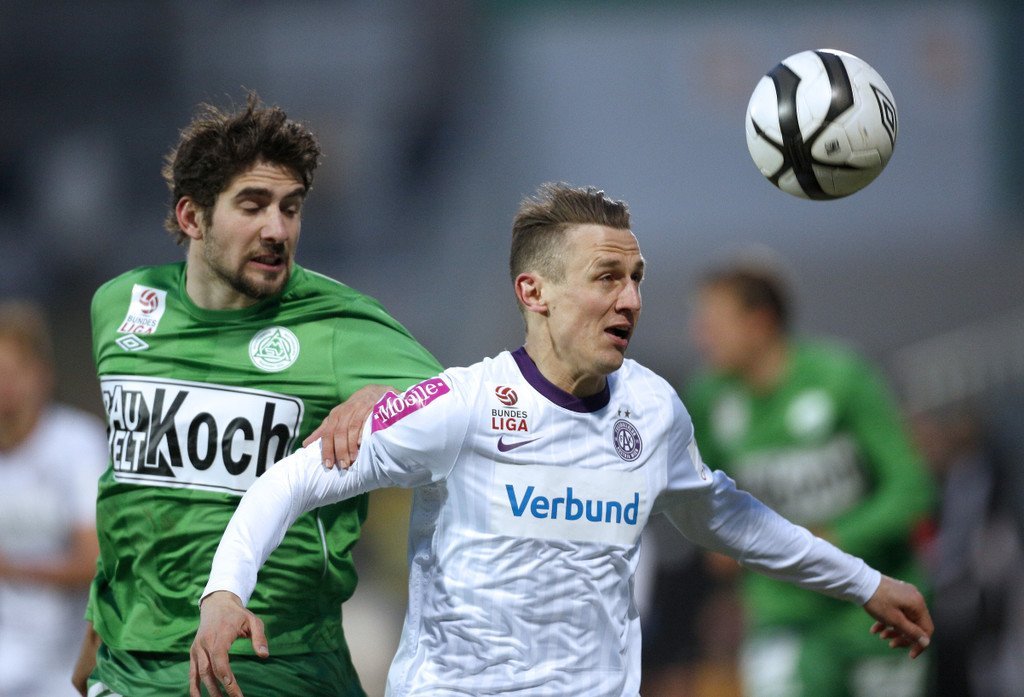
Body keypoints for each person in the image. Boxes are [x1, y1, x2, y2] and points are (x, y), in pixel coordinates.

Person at [191, 183, 933, 697]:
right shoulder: (462, 405)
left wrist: (865, 582)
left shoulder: (653, 410)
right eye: (607, 277)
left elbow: (728, 517)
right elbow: (292, 479)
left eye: (636, 278)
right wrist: (225, 591)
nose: (631, 299)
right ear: (534, 292)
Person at [76, 92, 441, 697]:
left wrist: (387, 396)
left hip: (276, 663)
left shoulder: (336, 323)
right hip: (130, 664)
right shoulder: (120, 306)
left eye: (290, 208)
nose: (277, 229)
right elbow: (129, 484)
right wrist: (96, 625)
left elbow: (467, 409)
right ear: (192, 218)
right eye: (253, 205)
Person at [684, 258, 936, 697]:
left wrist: (833, 539)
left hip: (873, 614)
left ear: (759, 322)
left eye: (713, 323)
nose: (700, 337)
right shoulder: (709, 400)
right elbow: (703, 497)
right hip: (783, 616)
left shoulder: (842, 378)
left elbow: (913, 490)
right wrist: (715, 540)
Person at [0, 301, 107, 697]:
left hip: (63, 664)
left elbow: (95, 560)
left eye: (14, 372)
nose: (5, 386)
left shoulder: (77, 444)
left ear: (42, 374)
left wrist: (14, 569)